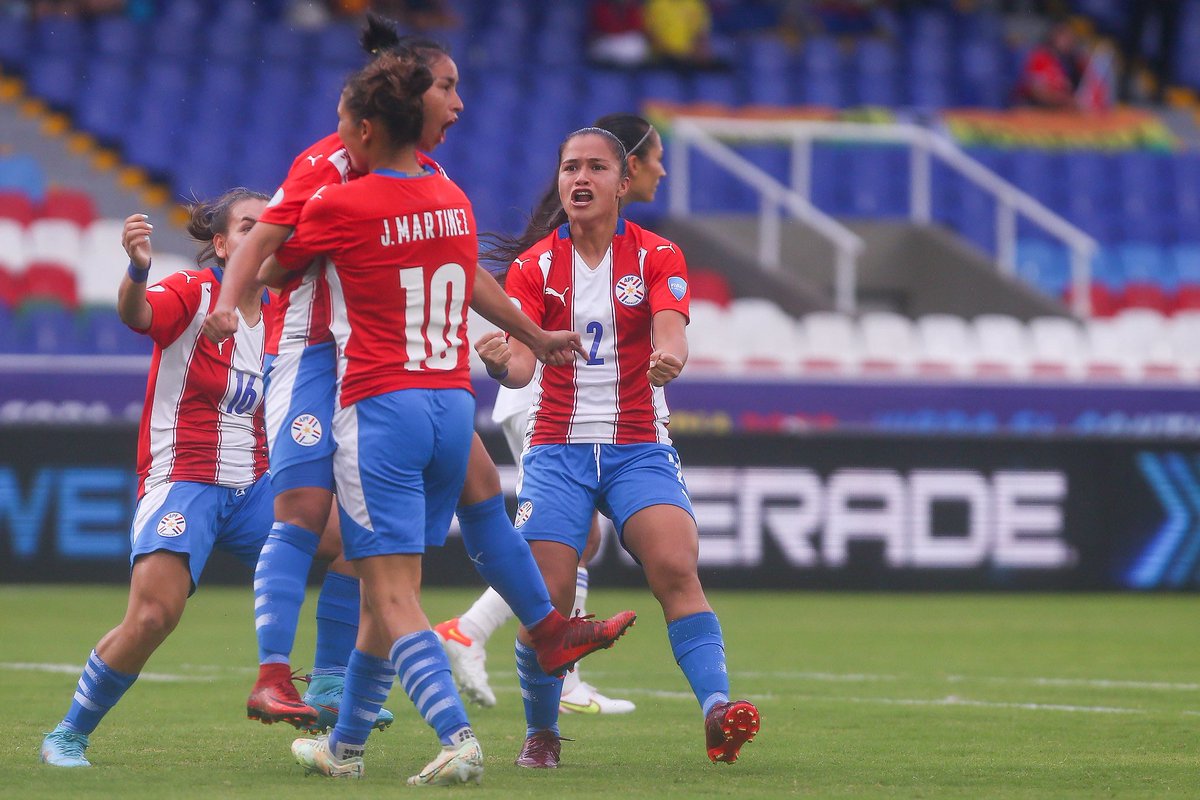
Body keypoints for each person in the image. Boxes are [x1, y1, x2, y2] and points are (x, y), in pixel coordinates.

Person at [204, 16, 637, 738]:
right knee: (314, 518)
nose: (459, 103)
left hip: (404, 376)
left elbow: (461, 271)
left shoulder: (434, 183)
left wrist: (530, 333)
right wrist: (228, 303)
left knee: (472, 497)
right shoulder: (329, 169)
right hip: (319, 358)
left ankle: (516, 640)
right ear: (406, 98)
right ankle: (278, 676)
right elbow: (270, 257)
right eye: (448, 86)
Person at [477, 127, 761, 769]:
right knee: (544, 602)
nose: (580, 178)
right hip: (558, 447)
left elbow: (672, 332)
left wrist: (669, 359)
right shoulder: (532, 268)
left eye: (596, 167)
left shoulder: (658, 255)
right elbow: (523, 368)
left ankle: (718, 712)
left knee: (675, 567)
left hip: (638, 444)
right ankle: (542, 735)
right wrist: (500, 364)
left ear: (623, 181)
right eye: (569, 166)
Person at [435, 113, 667, 715]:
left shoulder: (610, 241)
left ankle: (500, 645)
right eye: (655, 157)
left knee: (577, 539)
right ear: (631, 166)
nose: (662, 170)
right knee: (565, 539)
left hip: (551, 398)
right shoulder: (564, 248)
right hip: (542, 401)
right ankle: (541, 671)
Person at [39, 188, 274, 768]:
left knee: (355, 544)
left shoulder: (288, 313)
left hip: (258, 483)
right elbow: (135, 315)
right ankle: (68, 733)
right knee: (152, 616)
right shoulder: (194, 292)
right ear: (219, 244)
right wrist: (138, 270)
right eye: (249, 227)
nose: (264, 237)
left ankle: (334, 686)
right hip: (185, 476)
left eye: (273, 228)